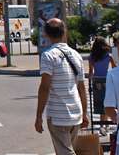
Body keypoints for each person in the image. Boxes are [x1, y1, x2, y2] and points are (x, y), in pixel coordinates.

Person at [34, 18, 87, 155]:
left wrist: (39, 115)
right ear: (64, 32)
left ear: (45, 34)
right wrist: (85, 113)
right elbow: (82, 87)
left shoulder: (48, 56)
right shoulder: (76, 55)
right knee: (68, 150)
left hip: (58, 116)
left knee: (65, 152)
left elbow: (44, 87)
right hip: (76, 112)